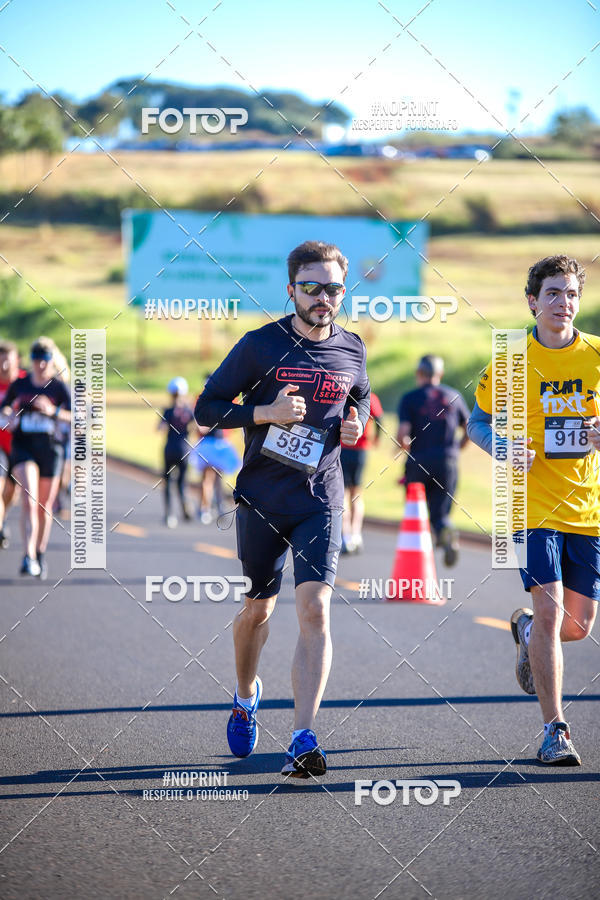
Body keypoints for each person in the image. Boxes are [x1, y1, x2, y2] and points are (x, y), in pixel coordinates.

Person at [195, 239, 370, 780]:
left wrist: (357, 421)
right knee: (258, 610)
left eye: (333, 288)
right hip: (264, 499)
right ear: (291, 290)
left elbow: (359, 394)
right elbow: (206, 409)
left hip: (321, 497)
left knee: (316, 608)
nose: (324, 297)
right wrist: (265, 411)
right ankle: (247, 694)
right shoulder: (259, 346)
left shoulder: (353, 347)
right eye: (312, 287)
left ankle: (302, 736)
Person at [468, 255, 600, 766]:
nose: (562, 303)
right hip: (532, 508)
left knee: (577, 627)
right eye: (552, 293)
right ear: (532, 301)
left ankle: (523, 631)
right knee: (549, 612)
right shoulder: (511, 361)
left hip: (586, 510)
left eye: (570, 294)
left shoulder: (595, 357)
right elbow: (477, 423)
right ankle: (555, 730)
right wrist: (505, 447)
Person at [1, 337, 71, 578]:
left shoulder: (58, 387)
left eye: (45, 361)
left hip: (50, 449)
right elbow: (5, 408)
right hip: (24, 446)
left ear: (51, 361)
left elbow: (77, 417)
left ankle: (40, 553)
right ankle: (28, 556)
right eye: (37, 360)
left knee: (44, 507)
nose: (40, 365)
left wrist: (53, 411)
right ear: (30, 361)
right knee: (29, 499)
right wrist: (9, 415)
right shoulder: (20, 384)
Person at [396, 355, 470, 566]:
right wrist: (457, 449)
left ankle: (419, 554)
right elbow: (469, 429)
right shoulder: (453, 396)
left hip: (418, 461)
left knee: (416, 510)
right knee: (441, 510)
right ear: (440, 374)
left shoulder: (410, 397)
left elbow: (403, 435)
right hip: (447, 461)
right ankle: (445, 530)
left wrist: (404, 446)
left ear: (418, 373)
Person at [340, 390, 382, 553]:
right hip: (359, 449)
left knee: (343, 494)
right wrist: (376, 438)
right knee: (356, 493)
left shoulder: (342, 393)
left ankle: (347, 536)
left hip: (343, 447)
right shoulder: (370, 396)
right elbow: (379, 419)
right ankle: (355, 535)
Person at [158, 377, 194, 528]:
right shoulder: (188, 410)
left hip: (169, 449)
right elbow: (199, 428)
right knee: (181, 481)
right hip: (184, 450)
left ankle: (169, 514)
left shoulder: (168, 410)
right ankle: (185, 504)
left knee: (167, 482)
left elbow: (160, 428)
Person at [0, 340, 24, 548]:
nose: (4, 366)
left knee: (11, 492)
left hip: (20, 445)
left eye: (8, 360)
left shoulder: (26, 383)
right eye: (1, 361)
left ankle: (4, 517)